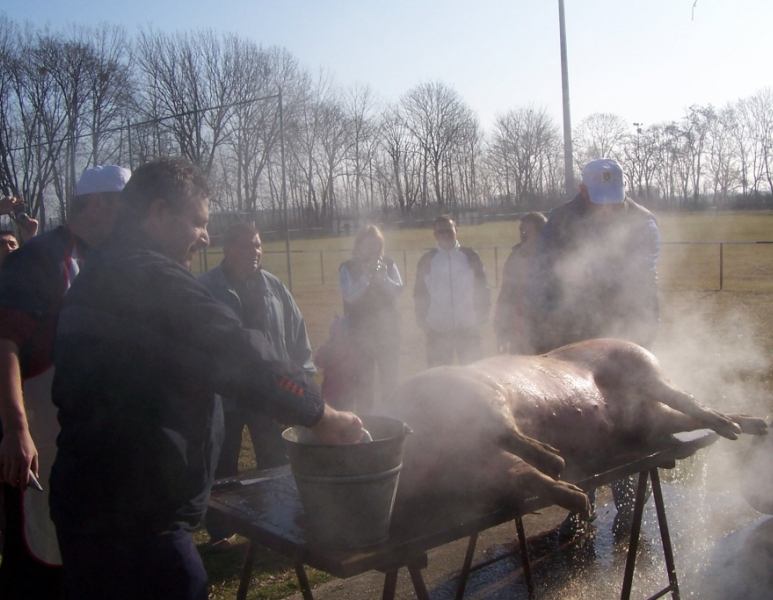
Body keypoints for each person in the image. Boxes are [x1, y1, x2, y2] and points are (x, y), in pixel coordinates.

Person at [48, 157, 362, 600]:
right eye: (199, 222)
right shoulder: (152, 278)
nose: (206, 236)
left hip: (85, 511)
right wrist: (320, 414)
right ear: (158, 214)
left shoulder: (94, 275)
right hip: (139, 525)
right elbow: (240, 353)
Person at [0, 165, 130, 599]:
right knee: (39, 554)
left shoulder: (108, 261)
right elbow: (5, 345)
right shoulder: (38, 258)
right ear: (98, 204)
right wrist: (17, 430)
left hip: (88, 441)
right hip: (40, 439)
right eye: (124, 208)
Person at [525, 157, 660, 539]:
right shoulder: (558, 223)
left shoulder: (642, 223)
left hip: (624, 335)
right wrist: (541, 336)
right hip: (570, 338)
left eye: (614, 201)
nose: (608, 209)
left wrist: (639, 344)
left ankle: (630, 507)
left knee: (627, 420)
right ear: (582, 192)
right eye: (599, 200)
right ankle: (580, 507)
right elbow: (540, 279)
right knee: (578, 422)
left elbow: (640, 282)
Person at [198, 222, 315, 550]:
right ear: (228, 249)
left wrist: (301, 379)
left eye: (259, 245)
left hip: (269, 395)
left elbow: (296, 334)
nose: (256, 252)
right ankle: (221, 532)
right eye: (248, 246)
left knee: (276, 462)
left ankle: (279, 521)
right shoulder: (206, 288)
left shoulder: (274, 287)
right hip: (225, 397)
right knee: (222, 464)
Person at [338, 225, 403, 413]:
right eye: (367, 245)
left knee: (390, 382)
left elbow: (398, 290)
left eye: (376, 245)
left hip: (389, 334)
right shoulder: (347, 267)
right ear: (358, 245)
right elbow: (349, 295)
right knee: (364, 384)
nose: (372, 250)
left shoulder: (388, 264)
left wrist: (383, 278)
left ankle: (392, 421)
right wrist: (365, 278)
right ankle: (366, 424)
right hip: (360, 335)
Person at [414, 215, 491, 368]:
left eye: (449, 231)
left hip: (468, 329)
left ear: (456, 231)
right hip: (438, 331)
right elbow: (419, 294)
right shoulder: (427, 259)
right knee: (438, 381)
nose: (445, 235)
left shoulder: (470, 256)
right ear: (435, 235)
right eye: (440, 232)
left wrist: (481, 316)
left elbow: (483, 287)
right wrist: (424, 323)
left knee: (473, 378)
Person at [493, 212, 547, 354]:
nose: (522, 235)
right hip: (520, 332)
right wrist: (502, 331)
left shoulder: (553, 256)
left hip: (550, 332)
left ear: (541, 231)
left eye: (527, 231)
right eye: (520, 231)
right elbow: (505, 295)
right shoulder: (515, 258)